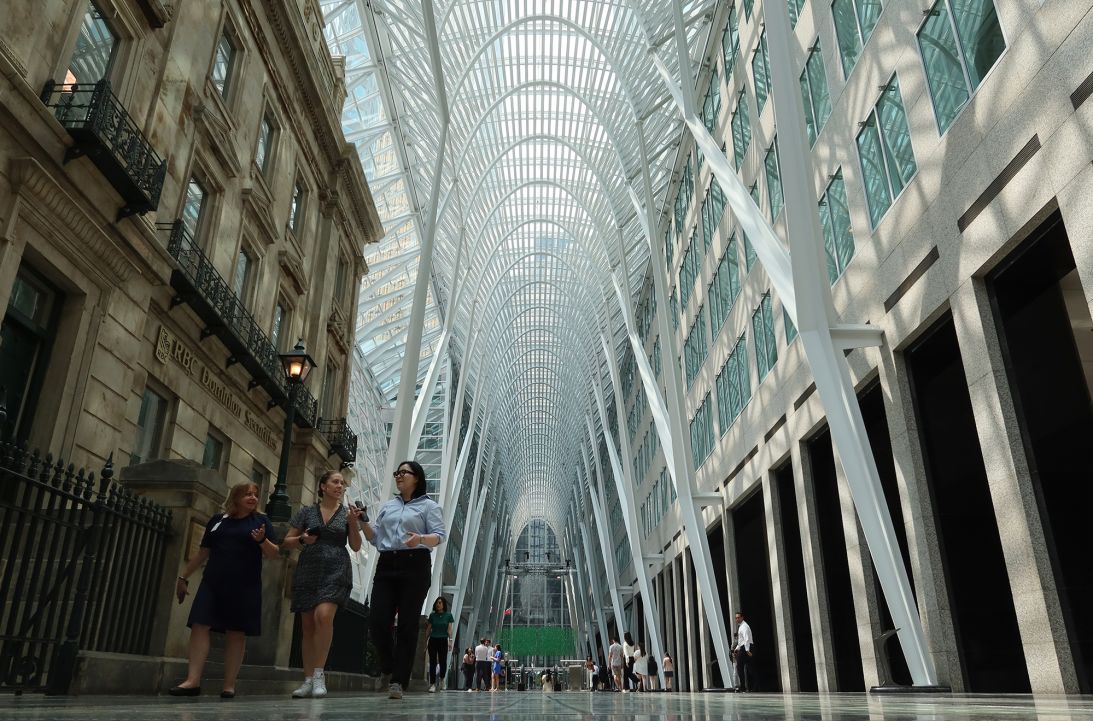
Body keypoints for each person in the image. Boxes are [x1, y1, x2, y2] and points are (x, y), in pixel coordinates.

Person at [170, 482, 280, 698]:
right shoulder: (218, 520)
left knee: (236, 632)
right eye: (247, 494)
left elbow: (274, 553)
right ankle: (192, 681)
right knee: (199, 625)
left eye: (255, 494)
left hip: (244, 585)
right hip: (212, 582)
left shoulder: (261, 521)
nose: (253, 498)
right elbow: (203, 552)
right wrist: (183, 577)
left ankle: (229, 685)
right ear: (235, 497)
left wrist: (262, 540)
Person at [363, 460, 446, 700]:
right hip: (387, 563)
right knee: (378, 620)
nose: (398, 476)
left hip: (415, 565)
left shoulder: (429, 506)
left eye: (404, 473)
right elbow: (375, 538)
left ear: (417, 478)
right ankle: (389, 666)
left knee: (408, 624)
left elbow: (439, 536)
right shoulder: (389, 506)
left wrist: (420, 539)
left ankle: (398, 681)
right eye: (397, 473)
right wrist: (362, 522)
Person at [284, 470, 363, 698]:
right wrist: (302, 538)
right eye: (335, 482)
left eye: (342, 483)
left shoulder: (347, 514)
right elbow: (287, 541)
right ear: (323, 486)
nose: (340, 486)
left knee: (324, 616)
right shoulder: (307, 512)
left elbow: (356, 546)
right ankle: (308, 679)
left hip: (336, 568)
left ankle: (319, 674)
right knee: (308, 626)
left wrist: (353, 524)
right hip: (309, 568)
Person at [426, 596, 454, 692]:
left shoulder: (448, 615)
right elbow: (429, 629)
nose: (438, 604)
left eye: (440, 602)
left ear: (444, 605)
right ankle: (432, 684)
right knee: (432, 662)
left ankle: (442, 679)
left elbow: (449, 629)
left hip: (443, 640)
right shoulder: (432, 615)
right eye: (437, 602)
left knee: (443, 661)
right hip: (433, 640)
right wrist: (425, 642)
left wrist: (450, 641)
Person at [734, 611, 755, 692]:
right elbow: (741, 640)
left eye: (738, 617)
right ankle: (754, 687)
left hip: (746, 648)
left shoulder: (744, 626)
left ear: (742, 618)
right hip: (745, 647)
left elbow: (746, 639)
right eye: (736, 618)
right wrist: (737, 648)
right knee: (750, 668)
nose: (737, 619)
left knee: (740, 667)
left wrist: (747, 650)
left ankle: (743, 687)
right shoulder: (742, 626)